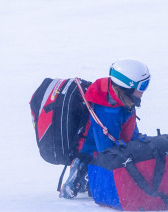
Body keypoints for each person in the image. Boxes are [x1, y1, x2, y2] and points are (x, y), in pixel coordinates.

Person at [59, 59, 151, 198]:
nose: (145, 90)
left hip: (108, 149)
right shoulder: (108, 111)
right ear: (128, 86)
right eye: (143, 85)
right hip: (92, 155)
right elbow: (106, 152)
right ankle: (81, 174)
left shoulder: (123, 100)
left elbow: (129, 131)